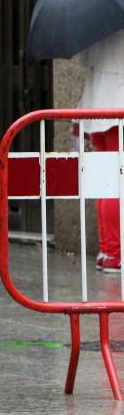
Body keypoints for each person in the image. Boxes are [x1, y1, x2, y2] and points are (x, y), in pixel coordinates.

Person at [79, 30, 124, 272]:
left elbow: (86, 64)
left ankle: (107, 250)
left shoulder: (95, 29)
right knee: (117, 184)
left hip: (96, 107)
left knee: (106, 183)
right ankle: (115, 254)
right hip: (119, 108)